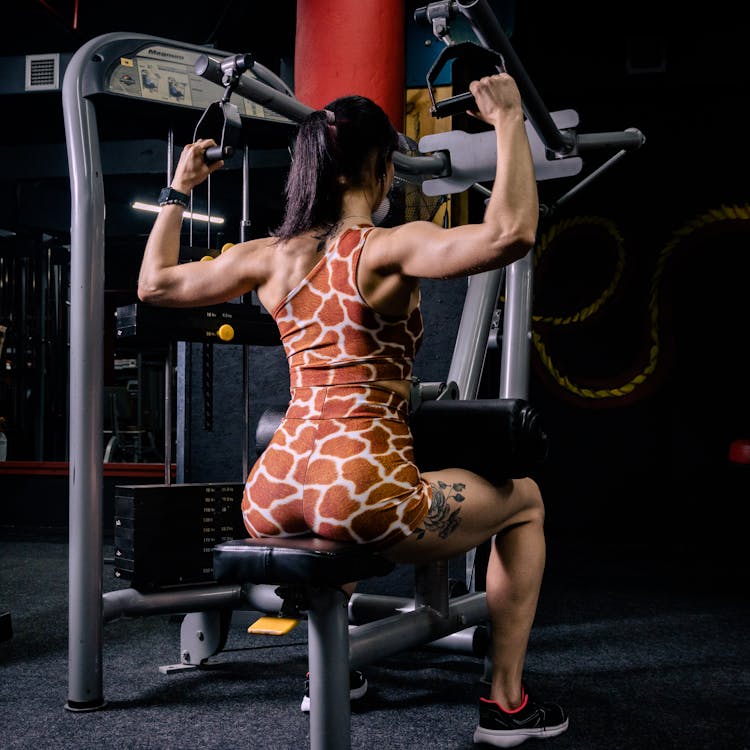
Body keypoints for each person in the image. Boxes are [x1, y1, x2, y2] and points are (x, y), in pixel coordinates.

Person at [138, 72, 568, 748]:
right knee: (526, 502)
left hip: (273, 487)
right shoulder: (384, 248)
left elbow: (155, 283)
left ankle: (335, 674)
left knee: (334, 525)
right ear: (379, 166)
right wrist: (509, 119)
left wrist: (177, 191)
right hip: (359, 487)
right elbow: (511, 234)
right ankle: (507, 703)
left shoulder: (270, 257)